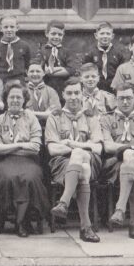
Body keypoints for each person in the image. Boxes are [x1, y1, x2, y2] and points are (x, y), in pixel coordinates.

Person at [46, 77, 103, 243]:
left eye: (77, 93)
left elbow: (98, 148)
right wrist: (84, 147)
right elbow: (52, 149)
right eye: (69, 93)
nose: (73, 97)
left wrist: (71, 144)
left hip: (92, 160)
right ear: (63, 95)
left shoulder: (91, 117)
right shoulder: (54, 117)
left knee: (80, 156)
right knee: (83, 170)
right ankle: (86, 227)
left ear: (82, 94)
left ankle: (64, 202)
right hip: (62, 163)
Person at [0, 81, 49, 237]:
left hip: (29, 161)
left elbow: (35, 147)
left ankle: (20, 221)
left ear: (24, 100)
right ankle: (19, 221)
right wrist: (20, 145)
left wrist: (7, 146)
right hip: (5, 161)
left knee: (29, 178)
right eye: (11, 97)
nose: (15, 100)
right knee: (7, 177)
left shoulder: (31, 119)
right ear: (6, 99)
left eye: (18, 97)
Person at [100, 84, 134, 240]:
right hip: (114, 163)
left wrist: (130, 150)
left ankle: (120, 209)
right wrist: (131, 149)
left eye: (128, 98)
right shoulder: (106, 119)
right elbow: (108, 146)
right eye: (121, 98)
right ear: (115, 99)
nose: (125, 102)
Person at [81, 22, 124, 92]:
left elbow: (122, 72)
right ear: (96, 35)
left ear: (112, 36)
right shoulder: (90, 53)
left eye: (108, 34)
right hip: (96, 86)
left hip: (114, 86)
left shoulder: (118, 53)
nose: (105, 36)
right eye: (102, 33)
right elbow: (85, 71)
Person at [0, 14, 31, 84]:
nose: (9, 30)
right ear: (0, 28)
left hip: (19, 81)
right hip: (1, 81)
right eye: (6, 27)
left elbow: (28, 65)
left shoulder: (25, 46)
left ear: (17, 28)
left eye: (12, 27)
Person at [40, 20, 71, 94]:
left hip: (64, 88)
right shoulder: (41, 51)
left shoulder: (67, 52)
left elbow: (71, 70)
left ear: (63, 35)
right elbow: (41, 69)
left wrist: (50, 71)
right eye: (53, 34)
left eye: (60, 34)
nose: (56, 37)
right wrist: (62, 69)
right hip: (46, 87)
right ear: (47, 34)